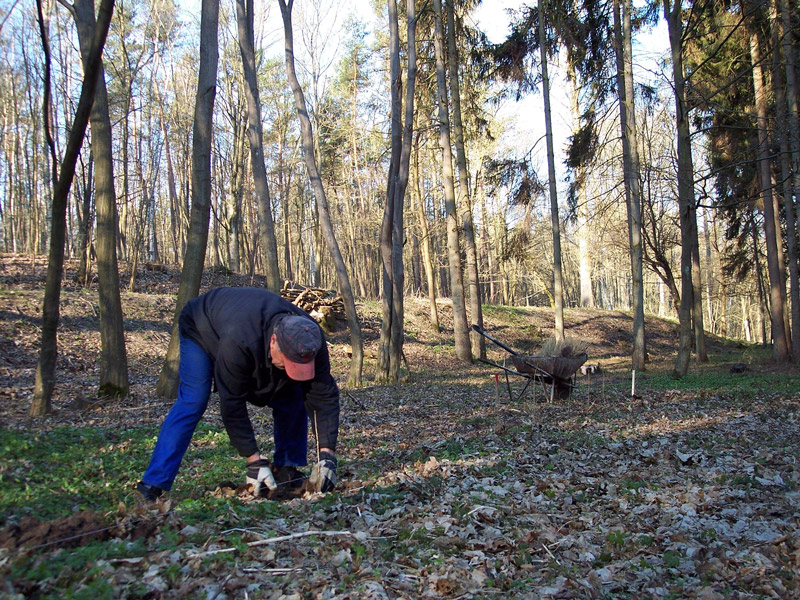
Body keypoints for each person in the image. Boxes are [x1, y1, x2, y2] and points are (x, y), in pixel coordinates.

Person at [137, 287, 339, 501]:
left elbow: (323, 396)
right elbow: (232, 403)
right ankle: (153, 483)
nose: (293, 370)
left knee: (294, 392)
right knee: (193, 399)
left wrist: (327, 455)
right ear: (273, 342)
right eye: (289, 363)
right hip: (201, 327)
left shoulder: (311, 339)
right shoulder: (239, 341)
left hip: (245, 328)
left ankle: (286, 469)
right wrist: (254, 461)